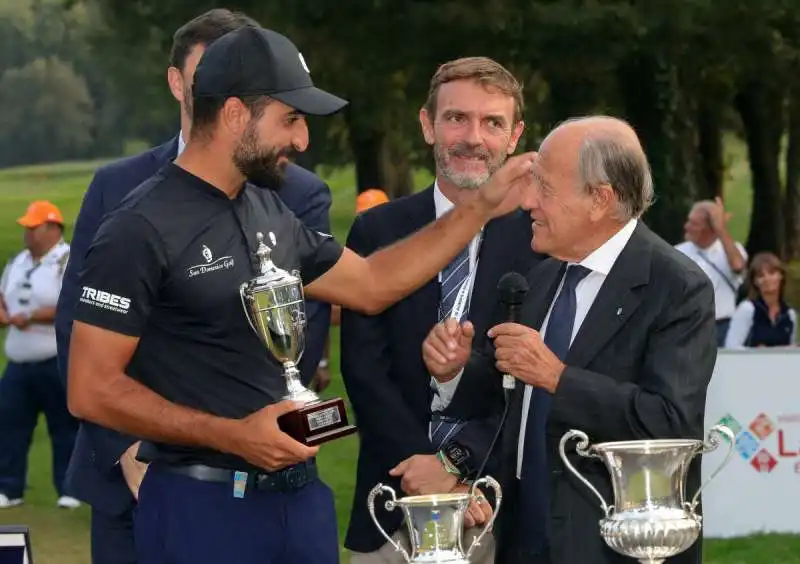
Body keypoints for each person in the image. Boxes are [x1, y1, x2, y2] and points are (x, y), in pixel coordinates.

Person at [66, 26, 535, 564]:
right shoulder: (139, 228)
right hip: (203, 505)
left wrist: (478, 208)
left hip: (299, 504)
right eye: (290, 119)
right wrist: (232, 435)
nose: (303, 140)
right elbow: (89, 388)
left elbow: (373, 284)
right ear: (238, 114)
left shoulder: (267, 208)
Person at [54, 9, 335, 564]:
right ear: (178, 81)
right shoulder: (119, 186)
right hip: (130, 470)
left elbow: (302, 328)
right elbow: (77, 328)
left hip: (255, 481)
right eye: (210, 70)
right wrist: (131, 449)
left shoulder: (293, 189)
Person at [423, 116, 717, 564]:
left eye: (544, 187)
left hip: (612, 545)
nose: (528, 203)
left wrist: (558, 377)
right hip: (520, 536)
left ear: (599, 199)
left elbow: (671, 423)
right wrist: (457, 370)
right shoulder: (541, 279)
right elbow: (507, 403)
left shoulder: (675, 286)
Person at [342, 57, 543, 564]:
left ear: (514, 135)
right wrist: (423, 472)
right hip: (392, 506)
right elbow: (364, 371)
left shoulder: (541, 239)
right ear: (428, 125)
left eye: (492, 122)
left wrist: (459, 465)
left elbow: (534, 378)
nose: (473, 137)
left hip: (495, 509)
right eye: (457, 118)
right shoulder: (377, 231)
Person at [0, 202, 79, 510]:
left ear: (53, 229)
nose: (27, 233)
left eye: (34, 228)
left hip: (54, 360)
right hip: (19, 362)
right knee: (10, 426)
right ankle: (9, 488)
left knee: (64, 427)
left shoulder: (67, 261)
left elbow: (70, 306)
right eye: (26, 228)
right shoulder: (17, 262)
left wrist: (30, 316)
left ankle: (70, 489)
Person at [315, 188, 390, 393]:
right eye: (363, 215)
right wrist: (322, 362)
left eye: (373, 213)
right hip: (365, 362)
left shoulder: (404, 256)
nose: (368, 220)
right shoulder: (349, 256)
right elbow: (327, 311)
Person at [676, 198, 747, 346]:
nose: (686, 227)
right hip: (689, 329)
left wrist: (721, 229)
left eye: (694, 224)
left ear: (711, 228)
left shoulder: (731, 251)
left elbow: (738, 266)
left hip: (722, 328)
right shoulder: (677, 252)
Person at [725, 252, 797, 347]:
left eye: (772, 273)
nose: (767, 279)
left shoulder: (789, 315)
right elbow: (731, 347)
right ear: (755, 282)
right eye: (761, 276)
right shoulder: (747, 309)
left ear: (781, 276)